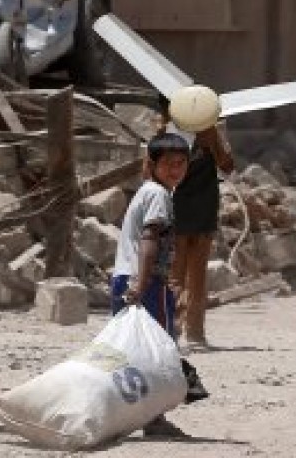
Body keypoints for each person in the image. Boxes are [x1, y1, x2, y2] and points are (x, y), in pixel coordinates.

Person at [111, 132, 189, 436]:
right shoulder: (158, 194)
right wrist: (143, 285)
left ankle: (130, 414)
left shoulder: (146, 191)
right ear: (151, 164)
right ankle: (154, 418)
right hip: (144, 284)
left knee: (131, 350)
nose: (175, 170)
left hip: (125, 278)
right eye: (169, 163)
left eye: (181, 163)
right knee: (158, 349)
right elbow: (149, 240)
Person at [155, 96, 234, 347]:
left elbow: (226, 166)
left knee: (187, 275)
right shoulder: (171, 135)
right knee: (183, 275)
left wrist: (213, 144)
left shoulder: (199, 133)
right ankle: (181, 331)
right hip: (183, 210)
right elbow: (227, 166)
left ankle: (187, 332)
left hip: (198, 209)